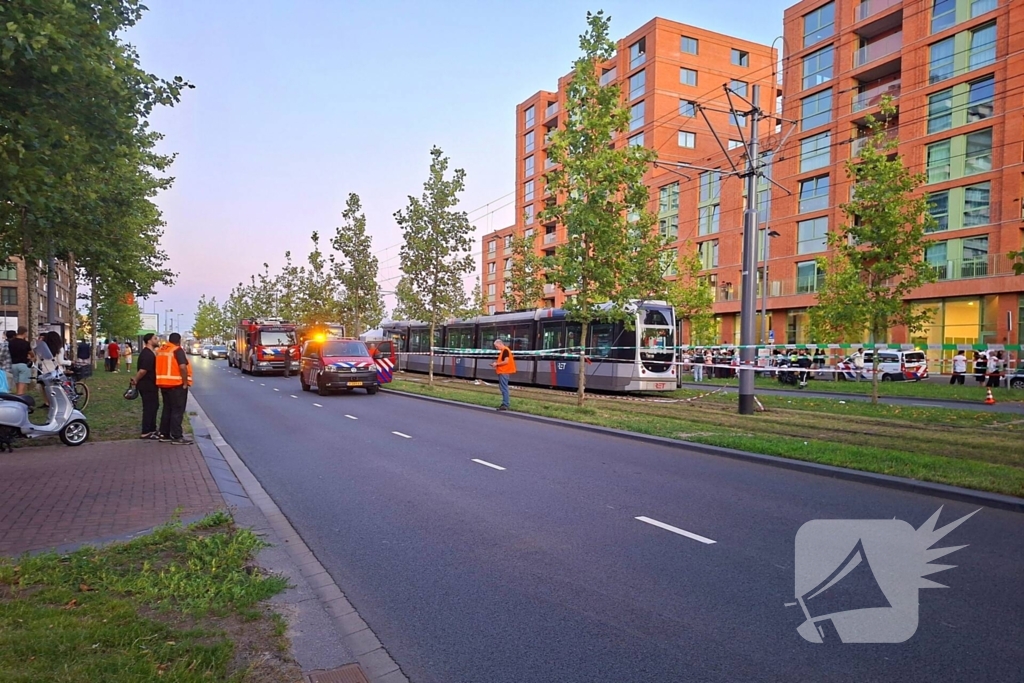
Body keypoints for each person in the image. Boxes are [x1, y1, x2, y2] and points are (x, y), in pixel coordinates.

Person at [156, 332, 192, 444]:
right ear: (179, 341)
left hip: (163, 384)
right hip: (176, 385)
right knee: (177, 410)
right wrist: (185, 382)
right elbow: (182, 367)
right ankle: (177, 436)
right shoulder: (177, 350)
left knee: (167, 409)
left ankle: (164, 433)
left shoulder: (162, 350)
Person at [131, 333, 161, 439]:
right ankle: (146, 431)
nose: (157, 340)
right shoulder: (147, 354)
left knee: (154, 406)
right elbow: (143, 370)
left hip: (151, 385)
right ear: (149, 341)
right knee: (149, 407)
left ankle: (152, 429)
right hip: (147, 385)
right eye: (155, 338)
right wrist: (136, 379)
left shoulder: (150, 353)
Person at [491, 339, 515, 411]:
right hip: (503, 372)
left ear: (500, 344)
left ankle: (505, 404)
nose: (496, 348)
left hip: (504, 372)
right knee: (503, 388)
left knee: (504, 388)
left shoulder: (505, 350)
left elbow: (506, 361)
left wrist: (496, 364)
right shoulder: (504, 350)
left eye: (496, 346)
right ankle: (505, 403)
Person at [8, 326, 32, 396]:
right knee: (21, 387)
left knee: (17, 385)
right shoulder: (26, 343)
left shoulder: (11, 342)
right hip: (23, 365)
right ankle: (20, 400)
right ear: (25, 333)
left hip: (14, 365)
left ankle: (18, 399)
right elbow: (31, 353)